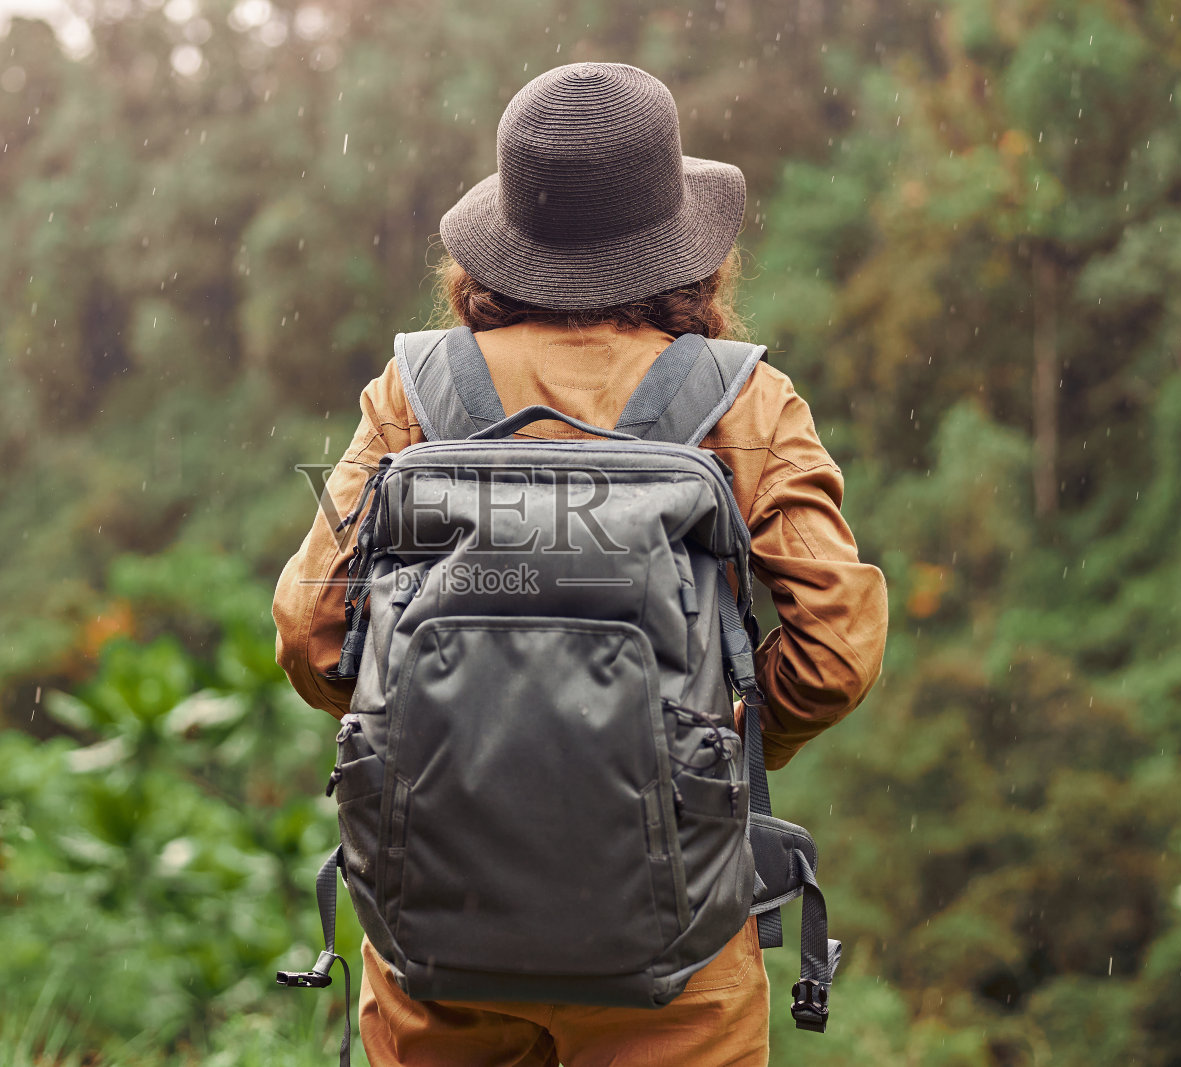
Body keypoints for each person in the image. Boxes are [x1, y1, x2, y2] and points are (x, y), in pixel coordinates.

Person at [272, 60, 888, 1067]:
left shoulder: (414, 392)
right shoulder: (745, 400)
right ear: (682, 248)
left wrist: (450, 728)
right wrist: (696, 753)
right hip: (673, 938)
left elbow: (309, 629)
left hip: (439, 923)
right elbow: (834, 653)